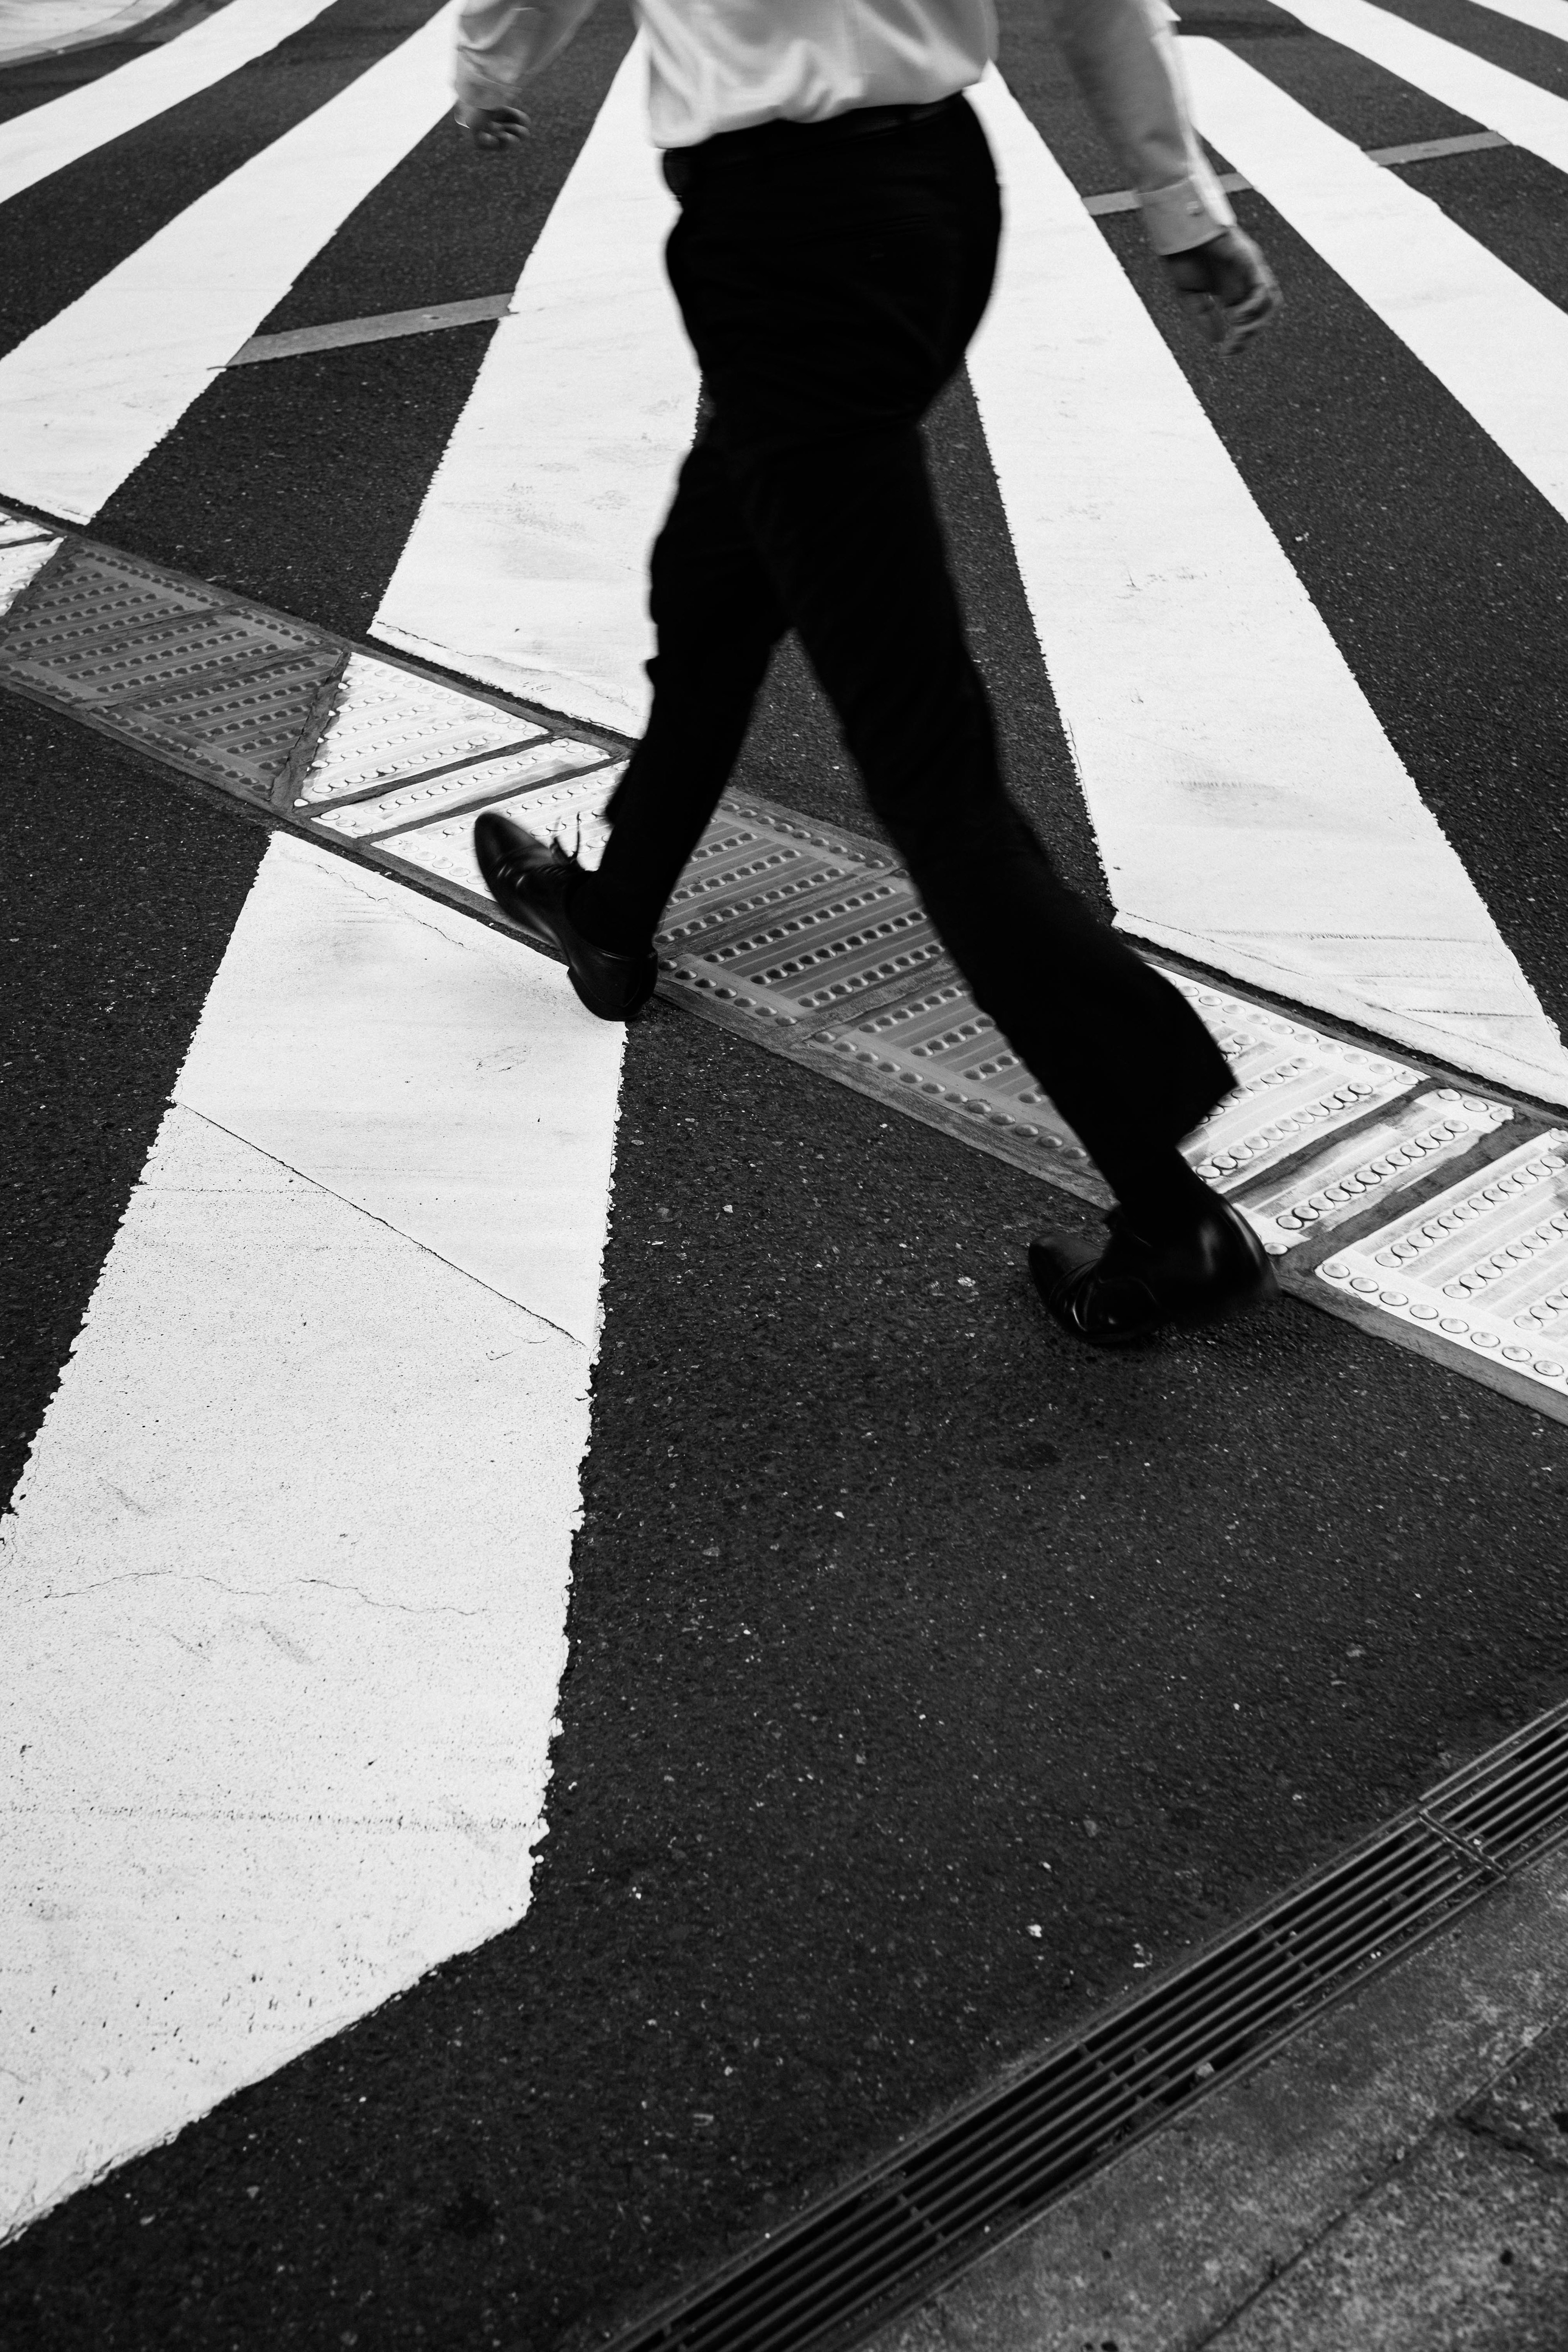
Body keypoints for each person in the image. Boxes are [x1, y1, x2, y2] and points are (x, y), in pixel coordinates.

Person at [453, 0, 1284, 1347]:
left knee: (922, 755)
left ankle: (1167, 1204)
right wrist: (1180, 202)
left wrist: (489, 67)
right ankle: (612, 913)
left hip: (785, 237)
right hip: (931, 196)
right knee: (719, 577)